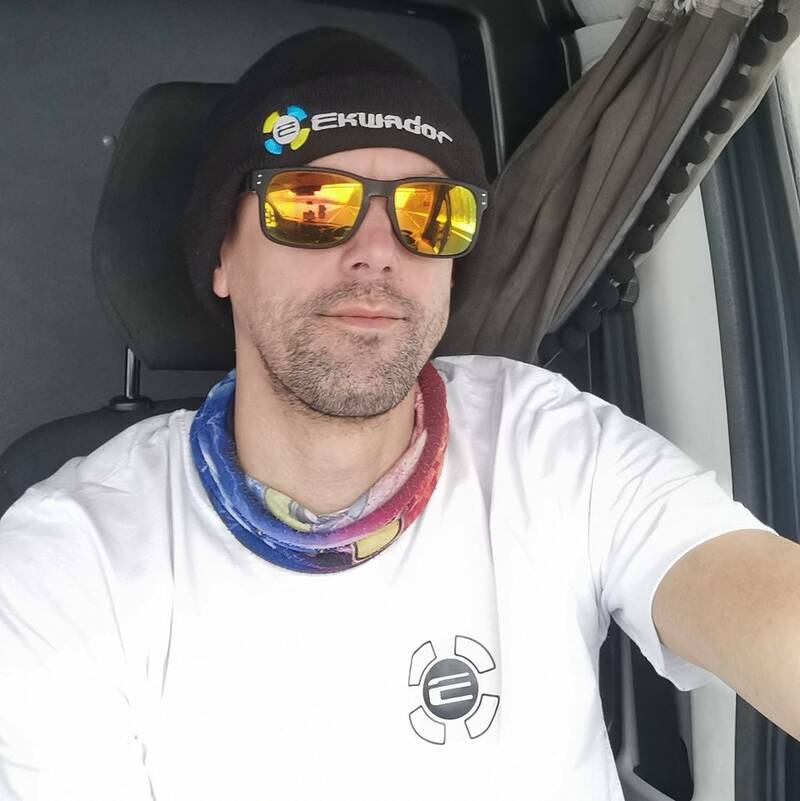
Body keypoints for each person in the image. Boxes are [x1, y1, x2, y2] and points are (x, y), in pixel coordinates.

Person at [0, 26, 789, 801]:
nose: (379, 251)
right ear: (222, 255)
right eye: (312, 205)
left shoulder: (549, 441)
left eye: (429, 215)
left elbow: (762, 603)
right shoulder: (69, 561)